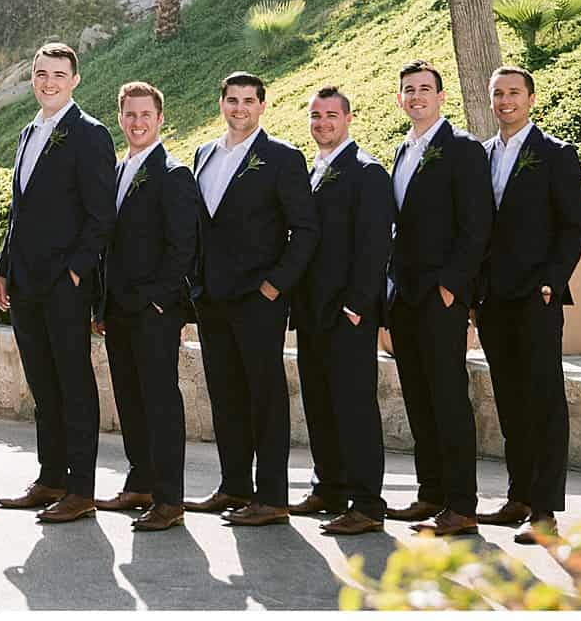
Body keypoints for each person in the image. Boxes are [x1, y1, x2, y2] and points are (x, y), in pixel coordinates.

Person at [184, 71, 319, 527]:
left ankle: (273, 496)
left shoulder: (282, 158)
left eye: (248, 101)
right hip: (212, 299)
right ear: (220, 103)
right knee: (225, 394)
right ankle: (234, 485)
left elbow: (304, 229)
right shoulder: (204, 153)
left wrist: (274, 286)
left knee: (265, 396)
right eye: (232, 100)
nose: (239, 108)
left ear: (263, 106)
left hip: (258, 299)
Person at [0, 43, 116, 524]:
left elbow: (101, 214)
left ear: (75, 80)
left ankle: (81, 488)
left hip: (64, 283)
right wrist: (4, 267)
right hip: (24, 282)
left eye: (58, 74)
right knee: (43, 384)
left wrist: (76, 271)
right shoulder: (27, 133)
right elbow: (21, 212)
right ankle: (50, 477)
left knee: (73, 383)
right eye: (41, 73)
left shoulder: (89, 135)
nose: (48, 82)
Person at [476, 66, 581, 545]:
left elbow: (573, 225)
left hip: (536, 297)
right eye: (498, 94)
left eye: (514, 93)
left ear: (531, 99)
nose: (505, 101)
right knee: (509, 399)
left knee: (543, 401)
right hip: (492, 298)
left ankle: (544, 511)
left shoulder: (555, 154)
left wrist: (551, 280)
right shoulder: (480, 156)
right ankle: (518, 496)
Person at [384, 60, 493, 537]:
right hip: (405, 297)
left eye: (425, 89)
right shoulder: (401, 151)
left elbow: (476, 224)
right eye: (408, 90)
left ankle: (462, 505)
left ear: (441, 97)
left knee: (448, 397)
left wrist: (453, 287)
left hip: (440, 297)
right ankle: (430, 493)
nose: (416, 96)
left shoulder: (463, 148)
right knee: (418, 396)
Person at [93, 81, 199, 533]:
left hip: (154, 311)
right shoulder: (117, 172)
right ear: (121, 119)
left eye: (145, 115)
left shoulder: (173, 174)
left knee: (160, 402)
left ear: (160, 119)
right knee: (130, 399)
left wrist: (158, 300)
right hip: (117, 310)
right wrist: (102, 305)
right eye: (130, 115)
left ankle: (170, 499)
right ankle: (140, 482)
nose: (137, 122)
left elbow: (183, 247)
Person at [291, 86, 394, 536]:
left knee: (353, 405)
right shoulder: (313, 171)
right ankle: (329, 486)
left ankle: (367, 503)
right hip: (313, 311)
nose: (322, 124)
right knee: (319, 401)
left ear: (348, 119)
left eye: (331, 115)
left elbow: (375, 245)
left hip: (347, 312)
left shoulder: (366, 171)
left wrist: (357, 304)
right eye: (316, 116)